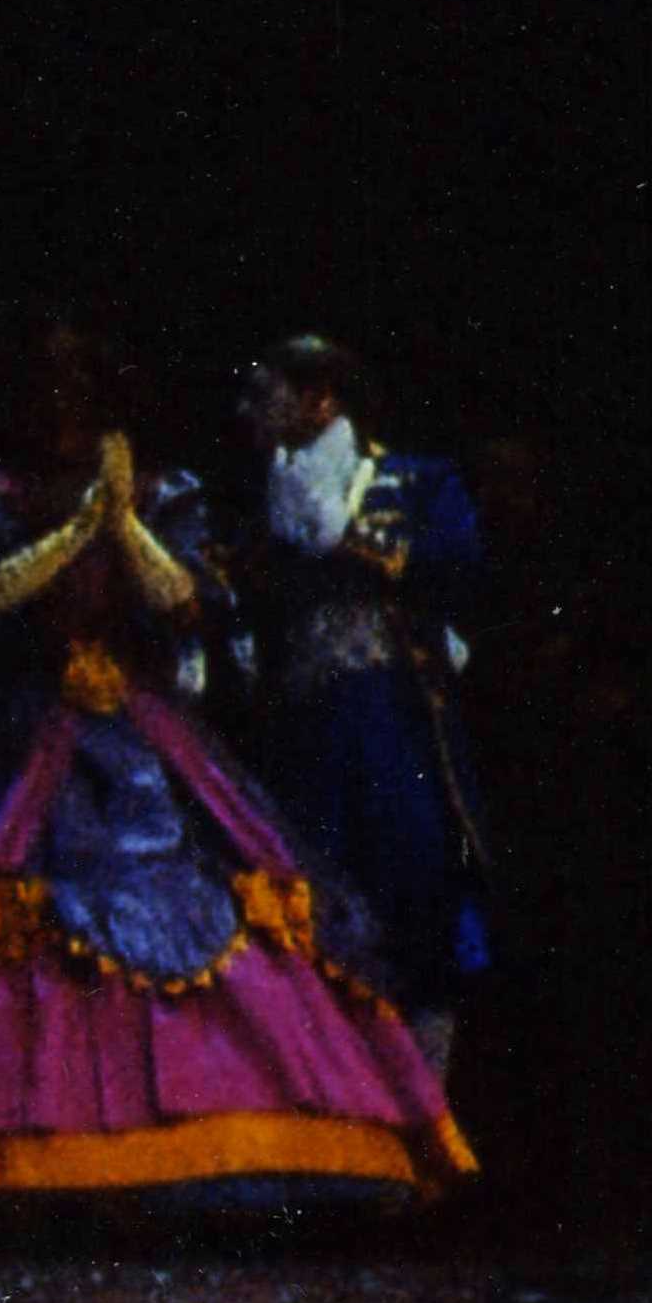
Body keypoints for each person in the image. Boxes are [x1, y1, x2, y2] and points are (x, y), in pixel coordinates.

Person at [0, 310, 474, 1204]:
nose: (61, 405)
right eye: (45, 387)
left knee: (213, 906)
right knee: (21, 924)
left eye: (77, 386)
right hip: (28, 729)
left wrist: (123, 518)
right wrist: (81, 527)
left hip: (144, 733)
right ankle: (35, 1149)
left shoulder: (163, 490)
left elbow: (189, 605)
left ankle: (225, 1142)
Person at [232, 337, 500, 1079]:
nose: (254, 410)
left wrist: (359, 549)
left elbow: (459, 562)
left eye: (271, 391)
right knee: (306, 894)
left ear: (321, 398)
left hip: (392, 715)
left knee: (417, 886)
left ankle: (425, 1097)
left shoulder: (413, 478)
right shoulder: (265, 497)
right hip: (301, 722)